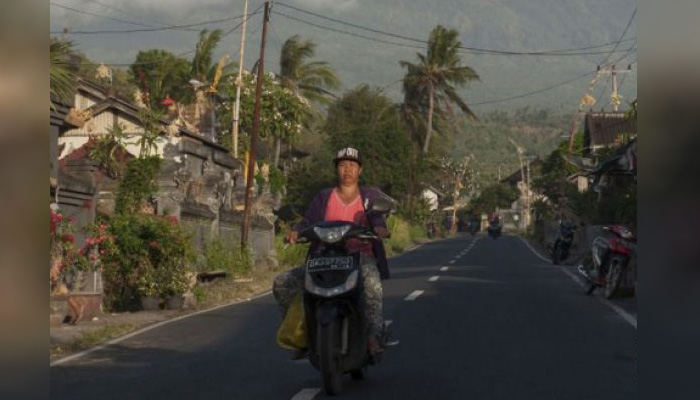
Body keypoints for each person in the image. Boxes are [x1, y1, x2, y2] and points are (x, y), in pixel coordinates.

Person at [273, 147, 390, 359]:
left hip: (359, 258)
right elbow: (308, 221)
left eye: (352, 165)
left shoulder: (369, 197)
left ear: (360, 170)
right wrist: (296, 232)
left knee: (372, 285)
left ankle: (373, 337)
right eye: (342, 165)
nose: (347, 170)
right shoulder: (323, 197)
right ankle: (302, 334)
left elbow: (377, 217)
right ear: (336, 169)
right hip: (324, 258)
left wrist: (380, 228)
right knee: (282, 283)